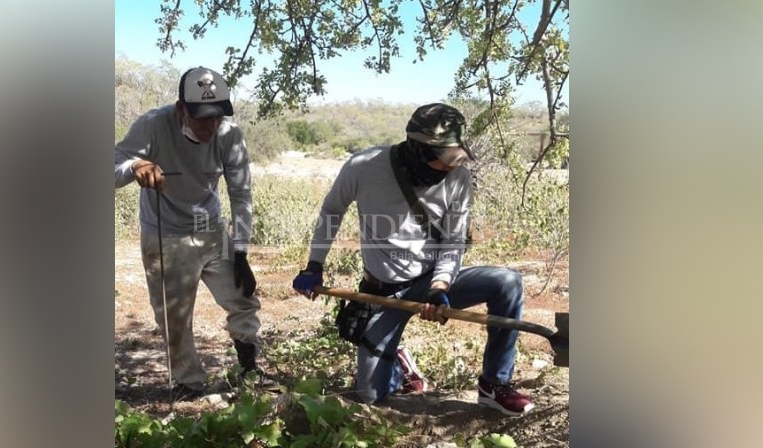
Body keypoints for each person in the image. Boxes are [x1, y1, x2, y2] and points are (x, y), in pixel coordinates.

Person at [292, 103, 534, 416]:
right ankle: (398, 361)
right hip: (384, 294)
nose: (449, 168)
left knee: (507, 282)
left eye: (454, 159)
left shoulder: (459, 177)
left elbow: (453, 241)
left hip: (432, 282)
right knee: (369, 397)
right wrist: (314, 265)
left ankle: (494, 385)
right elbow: (332, 211)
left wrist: (439, 286)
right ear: (418, 151)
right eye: (442, 160)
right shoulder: (363, 166)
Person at [115, 66, 263, 397]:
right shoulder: (152, 125)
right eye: (202, 118)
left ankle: (250, 369)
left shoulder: (229, 135)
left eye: (217, 116)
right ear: (181, 109)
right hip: (165, 234)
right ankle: (189, 383)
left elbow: (241, 196)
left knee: (243, 297)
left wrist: (240, 252)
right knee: (174, 317)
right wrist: (135, 166)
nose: (211, 126)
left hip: (210, 229)